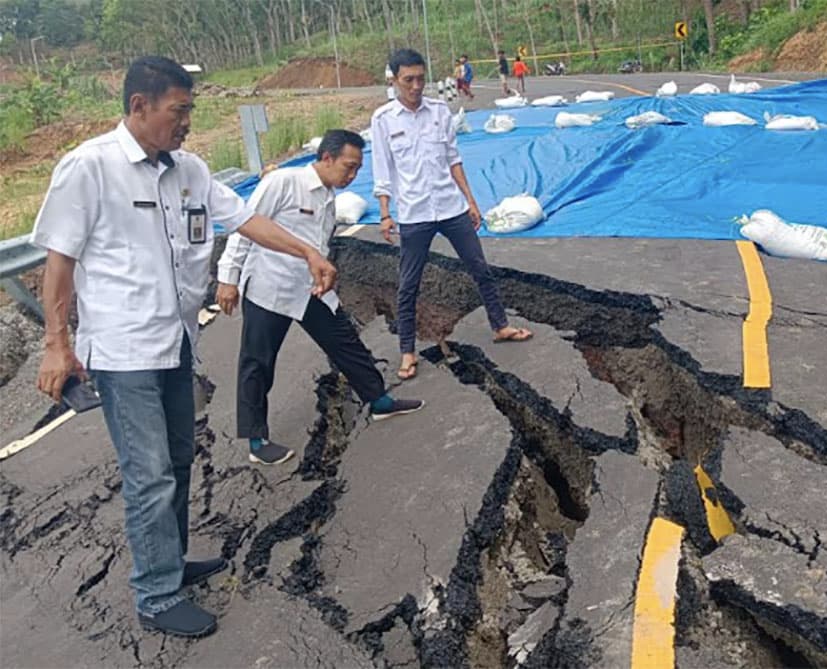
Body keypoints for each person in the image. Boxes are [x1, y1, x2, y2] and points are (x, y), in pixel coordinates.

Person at [32, 56, 337, 638]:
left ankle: (166, 562)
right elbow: (60, 262)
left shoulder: (191, 171)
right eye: (180, 110)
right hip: (122, 356)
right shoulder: (89, 167)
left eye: (191, 110)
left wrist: (308, 252)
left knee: (175, 464)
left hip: (177, 343)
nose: (188, 122)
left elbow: (246, 219)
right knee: (149, 474)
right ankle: (155, 595)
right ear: (139, 107)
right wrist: (56, 343)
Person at [215, 130, 424, 467]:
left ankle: (379, 400)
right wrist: (228, 278)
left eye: (357, 169)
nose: (353, 175)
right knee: (257, 362)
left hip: (309, 288)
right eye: (349, 166)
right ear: (327, 158)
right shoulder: (283, 182)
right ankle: (256, 439)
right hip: (270, 286)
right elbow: (245, 226)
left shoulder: (328, 195)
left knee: (345, 342)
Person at [373, 48, 532, 380]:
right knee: (408, 284)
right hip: (414, 214)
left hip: (451, 208)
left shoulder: (439, 111)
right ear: (394, 80)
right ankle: (407, 351)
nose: (416, 86)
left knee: (480, 268)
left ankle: (500, 326)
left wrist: (471, 202)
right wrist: (386, 214)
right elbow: (382, 172)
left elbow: (453, 159)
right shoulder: (383, 120)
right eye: (408, 80)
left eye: (420, 78)